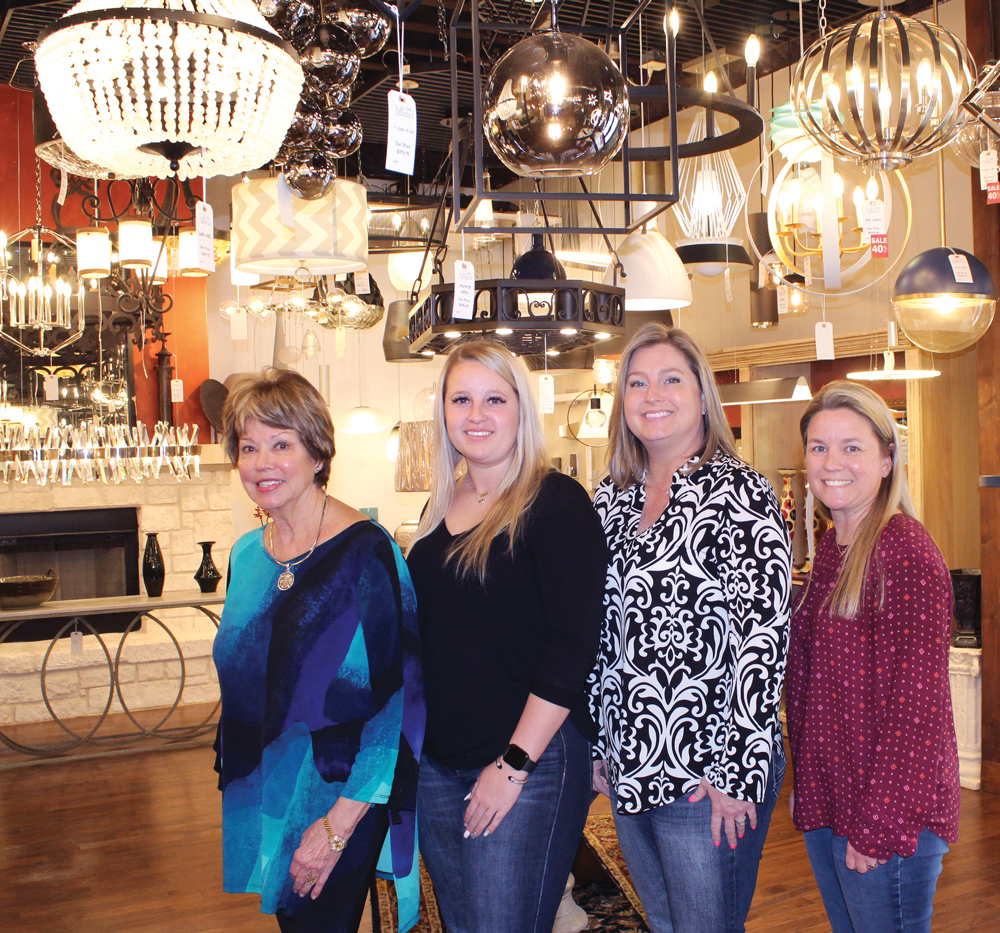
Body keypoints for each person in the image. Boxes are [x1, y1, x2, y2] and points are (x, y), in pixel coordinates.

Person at [589, 323, 791, 933]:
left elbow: (763, 640)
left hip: (709, 771)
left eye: (671, 380)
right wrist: (601, 744)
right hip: (632, 758)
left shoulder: (741, 492)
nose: (653, 395)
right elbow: (602, 636)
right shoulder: (611, 500)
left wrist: (736, 774)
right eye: (637, 383)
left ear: (703, 396)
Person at [213, 368, 425, 933]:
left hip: (341, 792)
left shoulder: (365, 554)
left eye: (281, 445)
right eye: (249, 447)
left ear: (317, 452)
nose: (262, 463)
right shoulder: (246, 557)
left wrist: (337, 825)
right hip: (270, 784)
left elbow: (398, 705)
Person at [405, 339, 606, 933]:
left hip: (528, 761)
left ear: (522, 410)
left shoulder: (555, 501)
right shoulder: (438, 506)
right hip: (440, 766)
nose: (476, 414)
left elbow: (574, 644)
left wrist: (513, 764)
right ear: (442, 412)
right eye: (461, 398)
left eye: (495, 398)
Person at [787, 380, 960, 933]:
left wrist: (878, 824)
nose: (832, 462)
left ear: (887, 460)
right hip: (837, 798)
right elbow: (821, 690)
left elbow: (917, 708)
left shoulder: (903, 550)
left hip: (887, 815)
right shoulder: (836, 550)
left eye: (852, 447)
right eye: (818, 447)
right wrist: (811, 790)